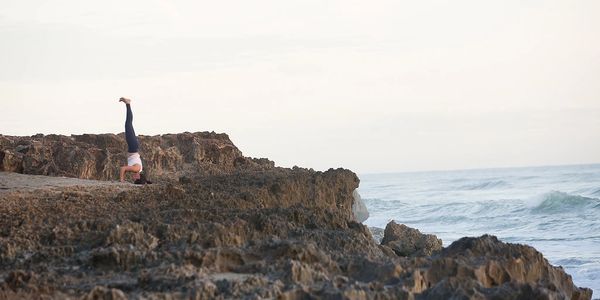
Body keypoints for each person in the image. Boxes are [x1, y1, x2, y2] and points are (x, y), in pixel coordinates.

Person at [118, 97, 148, 184]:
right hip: (133, 147)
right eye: (135, 178)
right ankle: (128, 103)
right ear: (138, 176)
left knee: (128, 124)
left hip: (133, 147)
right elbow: (123, 168)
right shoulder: (137, 169)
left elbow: (125, 169)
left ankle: (128, 104)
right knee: (128, 124)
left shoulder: (136, 169)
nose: (133, 178)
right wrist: (122, 180)